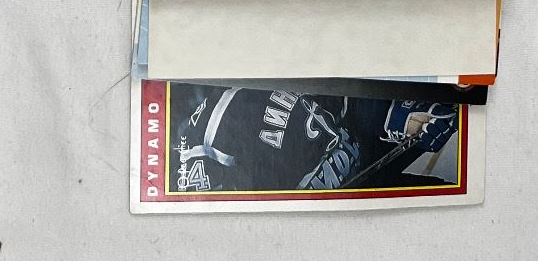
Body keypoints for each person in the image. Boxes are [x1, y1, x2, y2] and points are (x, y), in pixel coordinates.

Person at [169, 84, 458, 197]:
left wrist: (393, 116)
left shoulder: (242, 95)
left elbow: (341, 94)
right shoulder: (205, 141)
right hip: (341, 217)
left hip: (364, 154)